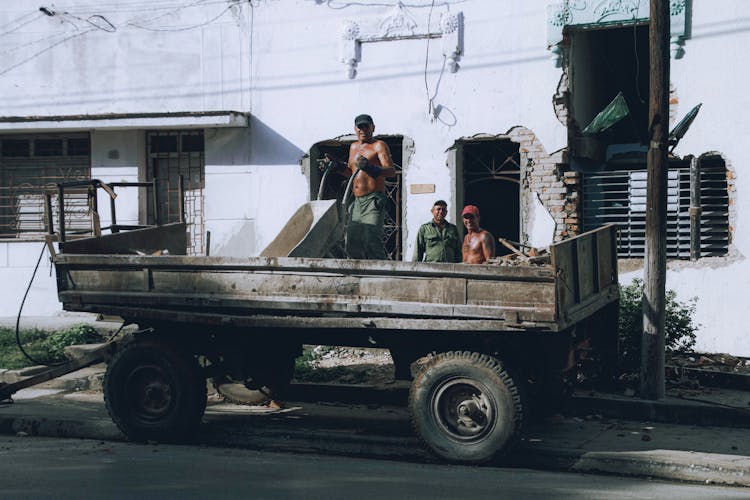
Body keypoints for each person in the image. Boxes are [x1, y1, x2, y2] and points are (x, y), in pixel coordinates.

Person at [341, 114, 396, 260]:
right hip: (357, 202)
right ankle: (355, 277)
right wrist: (337, 167)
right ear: (355, 129)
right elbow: (351, 173)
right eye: (360, 127)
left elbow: (391, 172)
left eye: (366, 126)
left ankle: (382, 276)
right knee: (352, 242)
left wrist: (373, 169)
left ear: (373, 128)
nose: (363, 130)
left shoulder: (379, 145)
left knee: (371, 239)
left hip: (373, 200)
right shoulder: (353, 147)